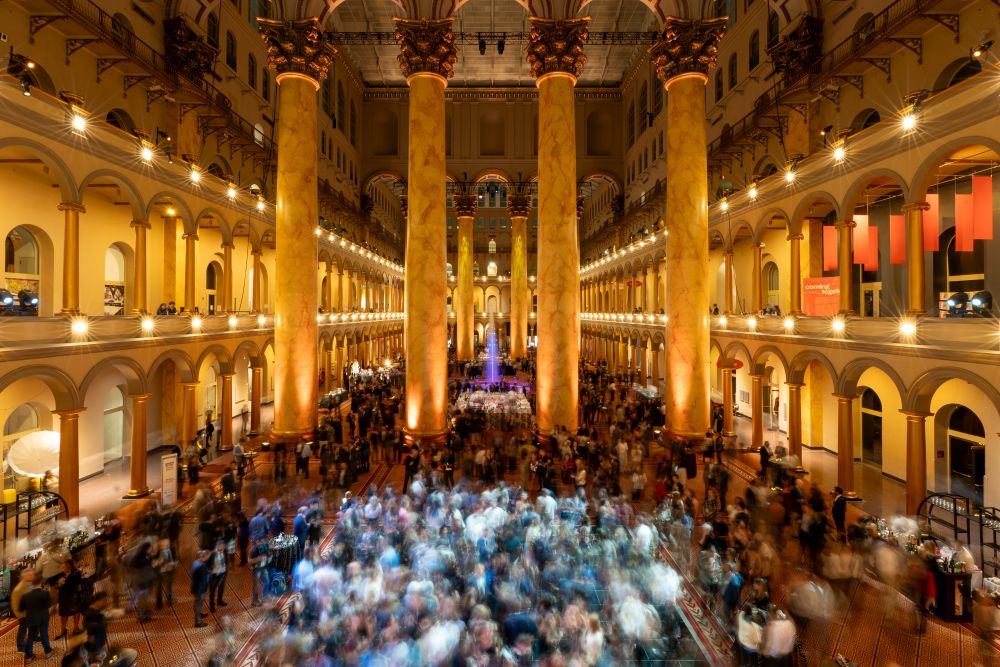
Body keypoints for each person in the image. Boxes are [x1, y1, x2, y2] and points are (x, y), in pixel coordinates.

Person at [20, 575, 52, 661]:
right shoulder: (45, 593)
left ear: (32, 583)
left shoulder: (25, 595)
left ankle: (29, 656)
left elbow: (21, 608)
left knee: (30, 636)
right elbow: (48, 605)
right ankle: (48, 652)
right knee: (44, 634)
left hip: (30, 618)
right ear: (41, 582)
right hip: (43, 617)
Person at [56, 559, 85, 638]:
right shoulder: (61, 574)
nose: (62, 568)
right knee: (63, 614)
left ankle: (75, 628)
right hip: (63, 597)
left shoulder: (77, 573)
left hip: (73, 596)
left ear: (69, 567)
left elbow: (75, 585)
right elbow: (57, 585)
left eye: (64, 567)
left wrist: (65, 581)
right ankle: (63, 630)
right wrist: (59, 584)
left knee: (75, 612)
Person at [11, 569, 35, 654]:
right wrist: (20, 615)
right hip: (23, 613)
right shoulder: (19, 589)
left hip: (30, 611)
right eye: (30, 575)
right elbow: (15, 604)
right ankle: (20, 646)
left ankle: (34, 637)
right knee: (23, 629)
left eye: (32, 575)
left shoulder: (30, 584)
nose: (32, 576)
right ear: (24, 576)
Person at [190, 550, 210, 627]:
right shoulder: (201, 566)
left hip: (196, 587)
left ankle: (199, 615)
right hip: (200, 589)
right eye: (207, 557)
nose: (207, 559)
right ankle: (198, 622)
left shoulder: (196, 563)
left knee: (197, 603)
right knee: (198, 604)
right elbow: (203, 579)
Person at [207, 540, 228, 613]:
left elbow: (225, 561)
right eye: (221, 546)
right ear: (217, 546)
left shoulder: (224, 552)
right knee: (212, 591)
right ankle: (212, 606)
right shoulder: (212, 554)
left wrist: (225, 570)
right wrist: (211, 571)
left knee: (221, 588)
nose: (223, 547)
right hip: (214, 575)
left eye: (223, 546)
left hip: (222, 574)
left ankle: (219, 601)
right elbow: (207, 565)